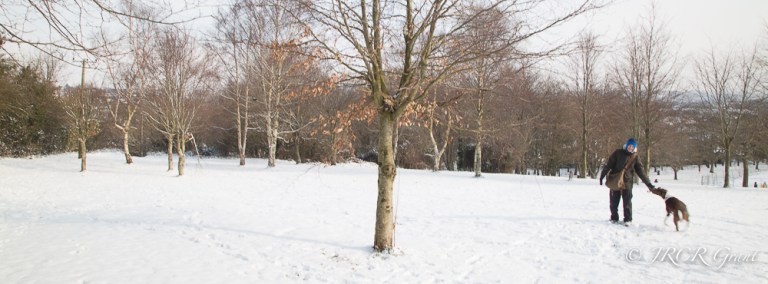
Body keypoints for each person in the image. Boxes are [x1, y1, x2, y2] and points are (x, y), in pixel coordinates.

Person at [598, 138, 656, 225]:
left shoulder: (635, 157)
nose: (630, 148)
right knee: (613, 201)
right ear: (626, 145)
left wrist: (649, 184)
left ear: (634, 148)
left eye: (633, 147)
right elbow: (609, 164)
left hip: (627, 182)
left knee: (627, 202)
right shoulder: (618, 153)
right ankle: (614, 218)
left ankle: (628, 220)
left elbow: (641, 171)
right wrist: (602, 175)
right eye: (629, 146)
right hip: (616, 180)